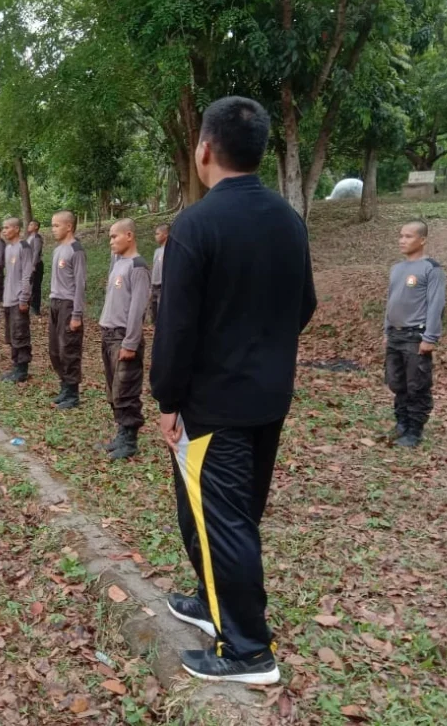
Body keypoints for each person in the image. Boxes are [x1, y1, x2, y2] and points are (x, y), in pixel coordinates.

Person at [151, 96, 317, 685]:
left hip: (213, 404)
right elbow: (305, 304)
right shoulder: (288, 219)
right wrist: (261, 350)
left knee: (225, 521)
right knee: (226, 513)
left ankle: (247, 650)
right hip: (268, 397)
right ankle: (210, 598)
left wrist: (168, 400)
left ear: (204, 150)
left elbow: (175, 327)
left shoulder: (196, 225)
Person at [384, 221, 446, 448]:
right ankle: (401, 422)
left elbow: (436, 305)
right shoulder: (396, 268)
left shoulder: (431, 269)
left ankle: (414, 430)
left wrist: (430, 337)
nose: (402, 240)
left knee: (416, 384)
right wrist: (386, 329)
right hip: (395, 335)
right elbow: (390, 301)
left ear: (422, 239)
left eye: (408, 236)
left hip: (415, 336)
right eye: (401, 236)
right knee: (396, 382)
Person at [98, 219, 150, 460]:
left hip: (123, 337)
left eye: (114, 237)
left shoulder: (137, 266)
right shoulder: (118, 263)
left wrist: (130, 342)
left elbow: (138, 308)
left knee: (126, 388)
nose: (111, 241)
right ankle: (121, 433)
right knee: (114, 389)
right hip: (108, 334)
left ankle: (130, 440)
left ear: (129, 235)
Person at [48, 210, 86, 409]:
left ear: (69, 227)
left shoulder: (76, 250)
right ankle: (64, 386)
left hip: (69, 305)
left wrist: (76, 314)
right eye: (52, 225)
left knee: (69, 349)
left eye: (56, 225)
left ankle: (73, 394)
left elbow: (80, 284)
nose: (53, 229)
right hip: (55, 302)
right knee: (55, 350)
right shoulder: (57, 250)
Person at [0, 218, 33, 382]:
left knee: (20, 333)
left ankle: (22, 369)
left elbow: (27, 274)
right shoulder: (8, 248)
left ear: (17, 229)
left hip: (19, 298)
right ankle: (15, 366)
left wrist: (24, 298)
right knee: (12, 334)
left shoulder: (24, 247)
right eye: (3, 228)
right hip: (8, 298)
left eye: (7, 228)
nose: (4, 231)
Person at [26, 219, 45, 316]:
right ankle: (30, 305)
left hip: (36, 264)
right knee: (29, 286)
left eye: (31, 224)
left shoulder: (37, 237)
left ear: (36, 227)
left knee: (35, 287)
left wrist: (33, 265)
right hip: (29, 265)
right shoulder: (30, 237)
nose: (29, 225)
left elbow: (36, 252)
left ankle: (35, 308)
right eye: (29, 224)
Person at [151, 224, 169, 324]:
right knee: (154, 313)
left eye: (158, 234)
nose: (156, 236)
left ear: (165, 234)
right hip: (154, 285)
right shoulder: (157, 251)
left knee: (161, 313)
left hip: (163, 286)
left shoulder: (170, 251)